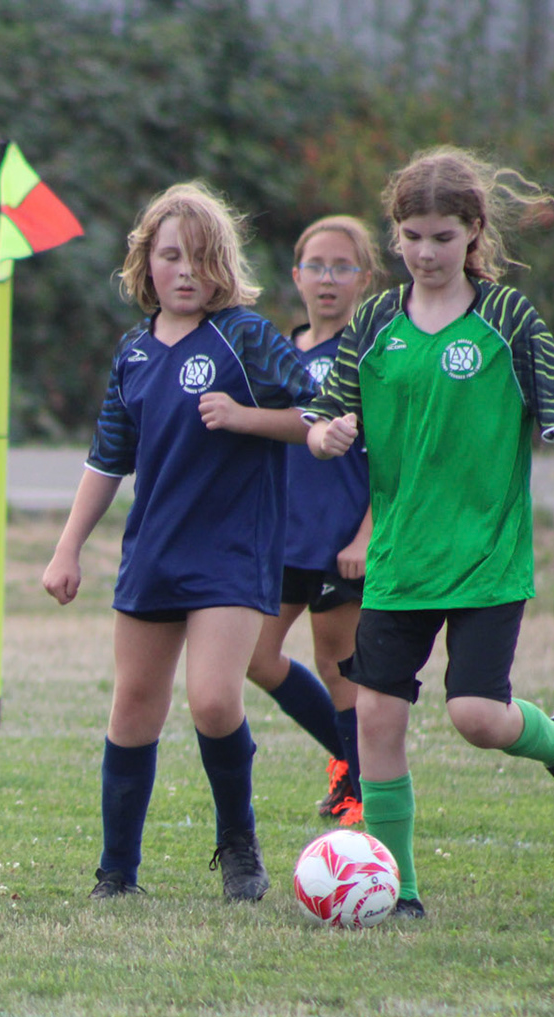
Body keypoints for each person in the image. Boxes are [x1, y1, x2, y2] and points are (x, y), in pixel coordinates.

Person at [304, 146, 554, 919]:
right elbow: (325, 418)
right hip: (399, 559)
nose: (426, 253)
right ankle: (399, 892)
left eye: (442, 237)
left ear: (472, 233)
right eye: (412, 237)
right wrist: (327, 435)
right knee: (376, 719)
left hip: (487, 558)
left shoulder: (506, 319)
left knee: (477, 718)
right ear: (395, 235)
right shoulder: (374, 322)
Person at [43, 181, 319, 903]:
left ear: (222, 263)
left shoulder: (245, 335)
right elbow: (108, 459)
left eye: (200, 256)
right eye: (171, 256)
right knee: (134, 705)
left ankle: (239, 849)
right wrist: (67, 548)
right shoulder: (134, 352)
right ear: (147, 263)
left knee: (214, 702)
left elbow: (317, 417)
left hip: (232, 551)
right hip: (154, 552)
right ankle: (117, 874)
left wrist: (245, 417)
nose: (186, 270)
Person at [245, 215, 380, 826]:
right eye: (317, 266)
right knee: (256, 657)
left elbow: (397, 460)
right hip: (281, 538)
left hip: (340, 541)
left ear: (364, 278)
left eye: (342, 267)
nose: (328, 279)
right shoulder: (278, 352)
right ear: (296, 275)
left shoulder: (369, 355)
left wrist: (366, 535)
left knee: (336, 665)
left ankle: (360, 786)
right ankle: (353, 760)